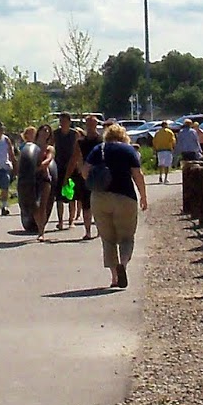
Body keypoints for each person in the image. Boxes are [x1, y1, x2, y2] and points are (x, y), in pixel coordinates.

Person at [83, 123, 149, 288]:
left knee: (108, 239)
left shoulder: (99, 149)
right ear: (123, 136)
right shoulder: (128, 150)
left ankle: (114, 278)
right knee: (126, 237)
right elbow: (137, 175)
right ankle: (123, 265)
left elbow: (85, 171)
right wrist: (143, 196)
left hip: (100, 197)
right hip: (125, 197)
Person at [16, 124, 56, 238]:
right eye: (44, 130)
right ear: (39, 132)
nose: (46, 132)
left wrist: (37, 168)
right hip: (31, 178)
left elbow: (48, 160)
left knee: (42, 205)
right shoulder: (30, 148)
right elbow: (23, 162)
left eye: (48, 131)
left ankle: (41, 232)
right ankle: (36, 224)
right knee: (33, 205)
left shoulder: (50, 148)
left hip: (44, 177)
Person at [73, 114, 103, 240]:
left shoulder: (102, 140)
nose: (90, 126)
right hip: (86, 175)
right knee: (86, 204)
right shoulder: (80, 142)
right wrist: (80, 169)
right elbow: (76, 157)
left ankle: (101, 230)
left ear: (96, 125)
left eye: (92, 123)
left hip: (100, 175)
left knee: (100, 204)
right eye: (88, 124)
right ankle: (88, 231)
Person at [51, 113, 79, 230]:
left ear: (69, 121)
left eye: (64, 121)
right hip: (59, 166)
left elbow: (78, 149)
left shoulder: (74, 134)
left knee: (71, 194)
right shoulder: (56, 134)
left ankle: (71, 220)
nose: (62, 123)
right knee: (59, 196)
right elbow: (51, 146)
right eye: (60, 121)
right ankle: (60, 221)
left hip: (72, 166)